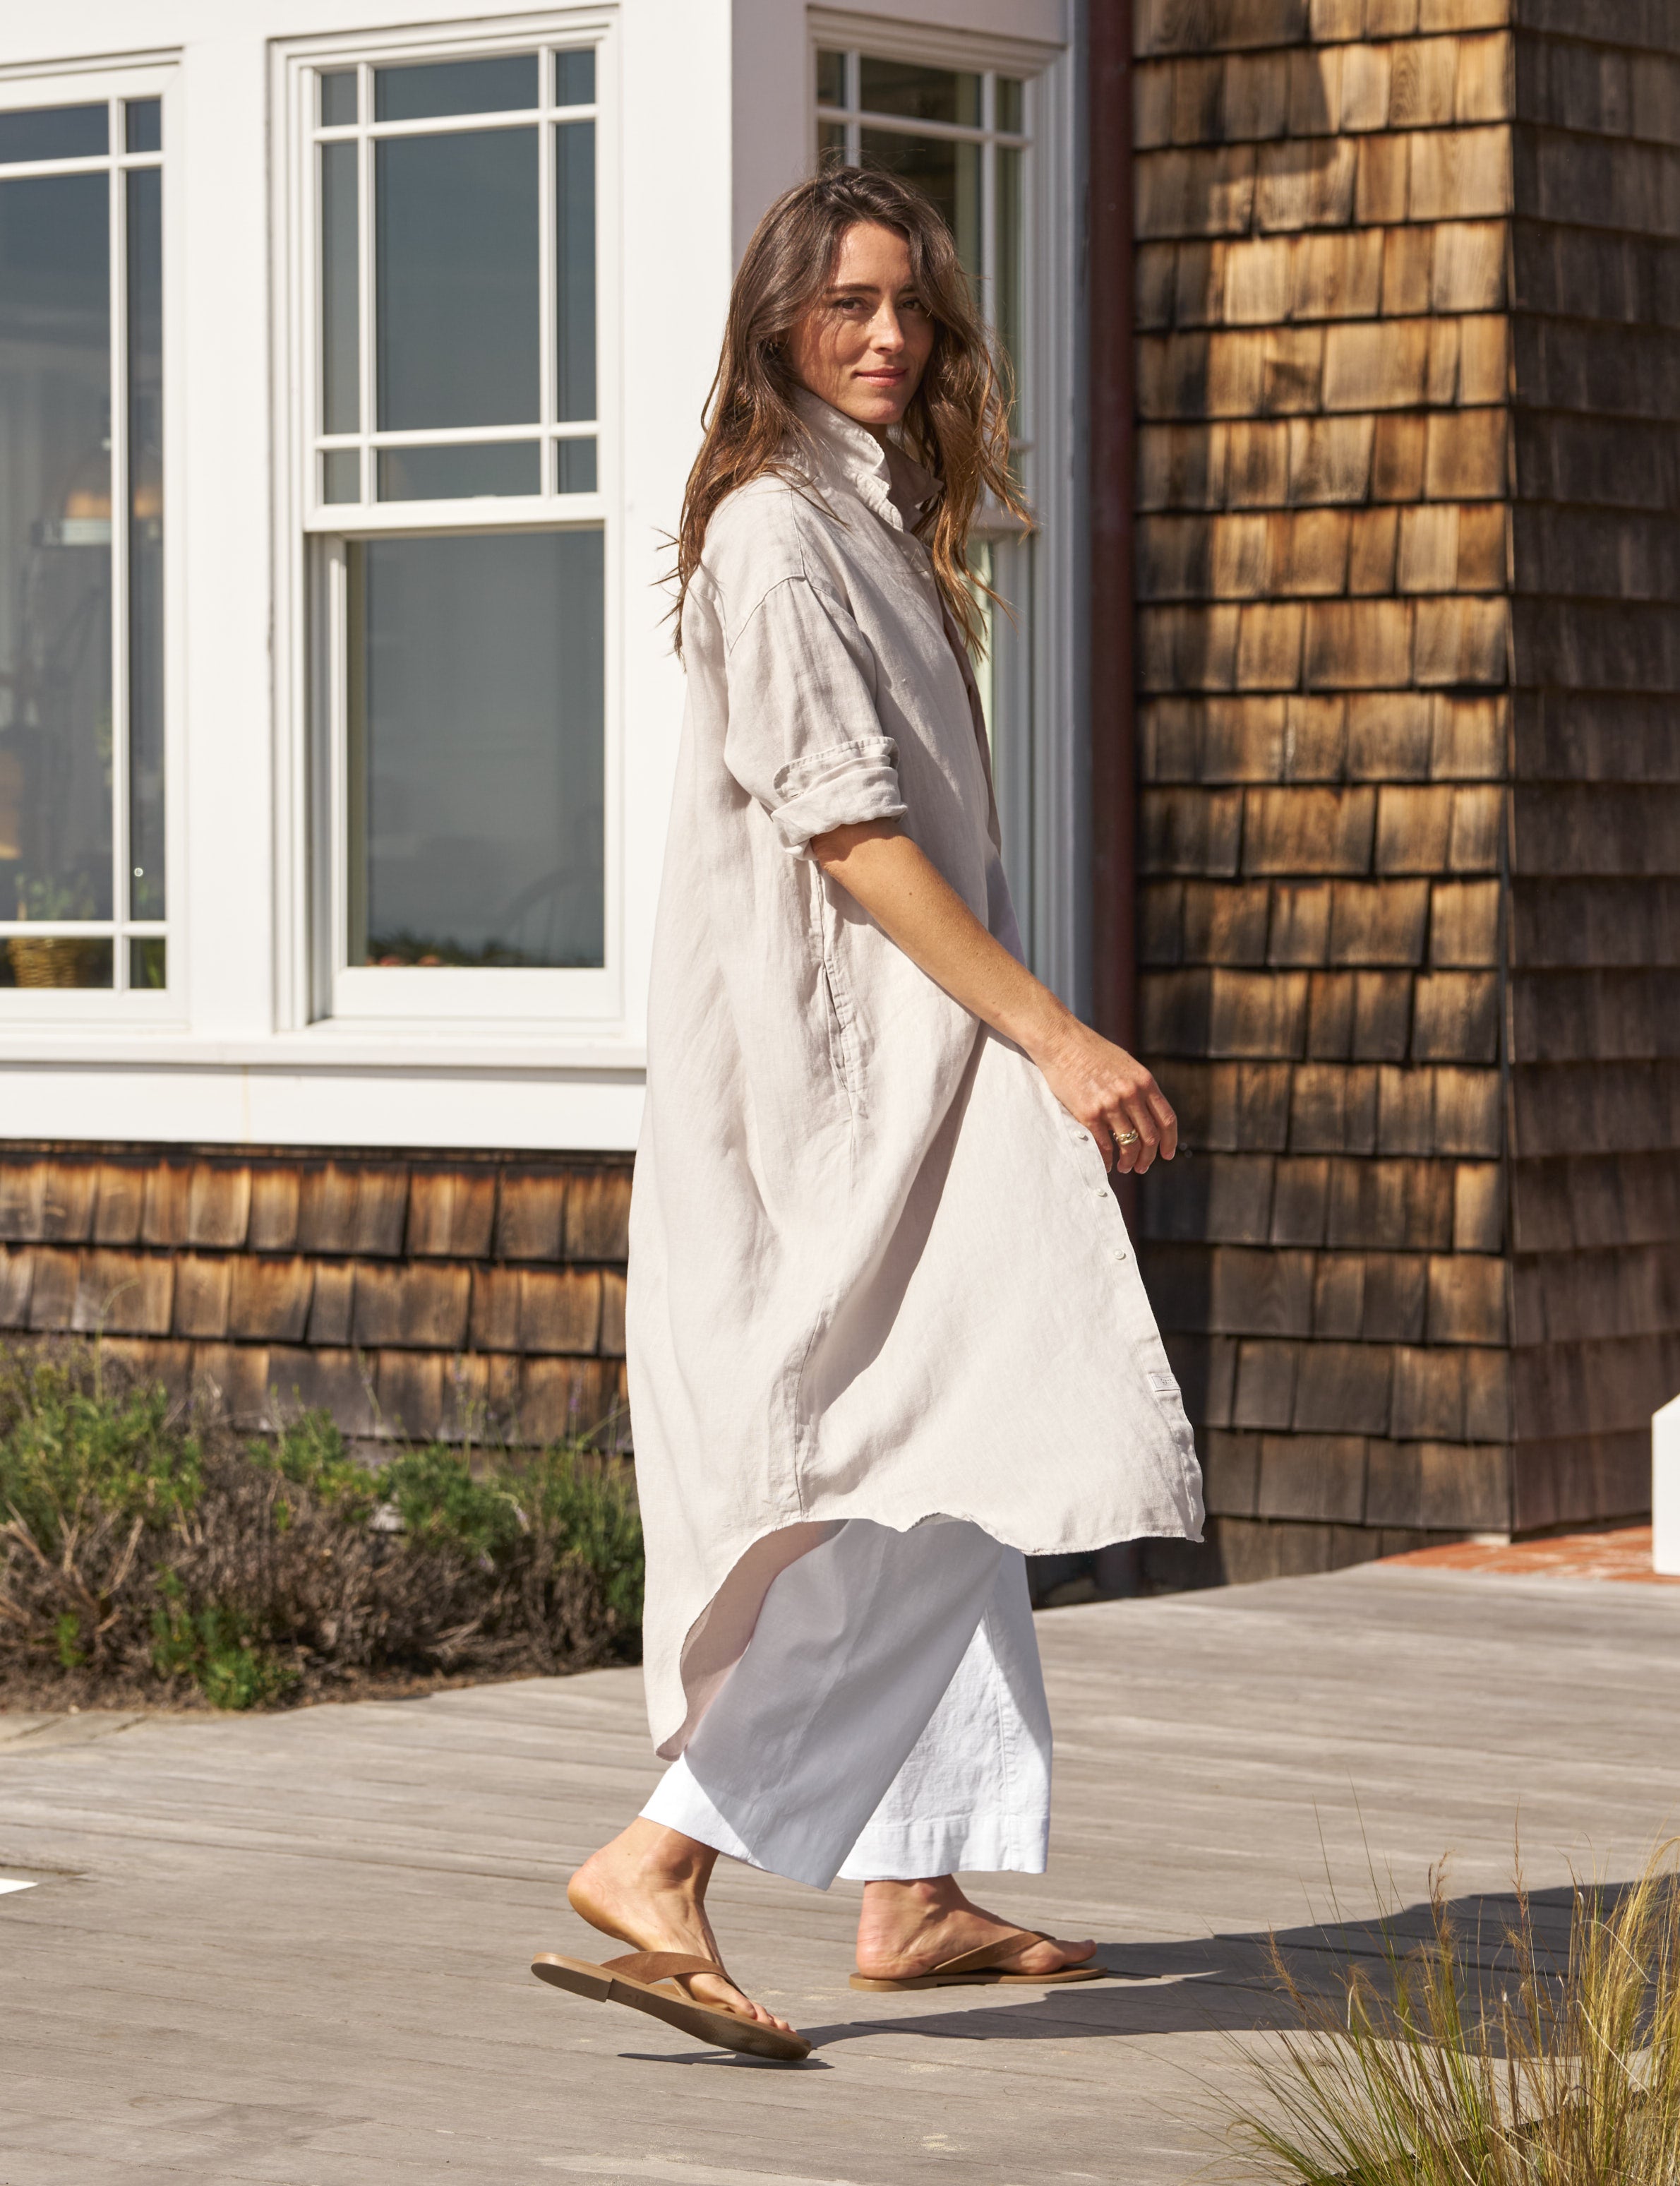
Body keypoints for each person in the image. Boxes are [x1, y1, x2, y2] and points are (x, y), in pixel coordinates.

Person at [532, 167, 1203, 2063]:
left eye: (907, 304)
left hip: (906, 1057)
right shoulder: (772, 529)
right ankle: (670, 1851)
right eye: (843, 306)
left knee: (966, 1439)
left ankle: (912, 1885)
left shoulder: (872, 519)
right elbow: (845, 835)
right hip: (851, 1080)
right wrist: (1057, 1038)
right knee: (947, 1456)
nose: (886, 335)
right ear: (775, 331)